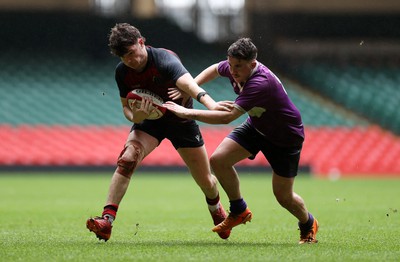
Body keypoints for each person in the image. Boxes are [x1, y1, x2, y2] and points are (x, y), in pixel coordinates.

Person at [164, 38, 319, 244]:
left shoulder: (260, 83)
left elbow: (226, 118)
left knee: (283, 197)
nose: (233, 70)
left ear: (252, 64)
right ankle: (239, 210)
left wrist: (186, 112)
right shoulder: (234, 66)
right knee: (218, 160)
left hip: (284, 138)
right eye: (230, 64)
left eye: (238, 66)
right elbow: (215, 69)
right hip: (257, 126)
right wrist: (191, 86)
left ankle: (308, 224)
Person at [86, 23, 232, 241]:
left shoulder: (164, 60)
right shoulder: (123, 72)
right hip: (149, 123)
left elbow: (190, 85)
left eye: (132, 53)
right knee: (127, 158)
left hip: (181, 119)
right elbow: (126, 107)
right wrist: (136, 117)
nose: (129, 61)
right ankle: (107, 221)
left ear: (141, 42)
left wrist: (211, 106)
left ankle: (216, 209)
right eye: (123, 57)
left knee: (206, 181)